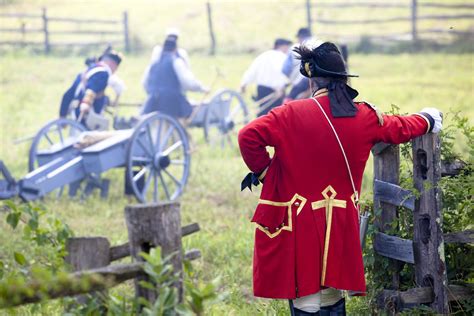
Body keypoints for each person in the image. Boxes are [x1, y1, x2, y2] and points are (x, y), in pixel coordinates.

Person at [238, 42, 442, 315]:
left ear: (313, 82)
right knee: (333, 295)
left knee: (306, 298)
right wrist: (427, 119)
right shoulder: (366, 116)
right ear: (343, 81)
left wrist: (267, 173)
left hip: (300, 222)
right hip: (341, 223)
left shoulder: (290, 114)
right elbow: (400, 127)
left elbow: (247, 136)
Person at [142, 37, 207, 118]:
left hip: (153, 101)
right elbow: (187, 82)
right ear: (175, 49)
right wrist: (201, 88)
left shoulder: (154, 63)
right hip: (171, 103)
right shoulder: (176, 61)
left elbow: (145, 83)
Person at [59, 50, 123, 124]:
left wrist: (62, 115)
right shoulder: (103, 73)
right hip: (87, 115)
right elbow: (91, 90)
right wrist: (86, 103)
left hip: (76, 111)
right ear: (113, 64)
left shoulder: (88, 71)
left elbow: (68, 94)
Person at [240, 38, 292, 116]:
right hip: (276, 90)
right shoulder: (283, 57)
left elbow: (252, 70)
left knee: (263, 115)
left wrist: (244, 84)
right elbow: (283, 74)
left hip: (262, 89)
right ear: (282, 46)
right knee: (275, 116)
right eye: (287, 47)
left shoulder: (263, 55)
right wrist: (282, 87)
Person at [283, 28, 322, 101]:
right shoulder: (321, 44)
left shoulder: (295, 48)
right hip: (323, 82)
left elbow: (285, 69)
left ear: (300, 37)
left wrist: (290, 80)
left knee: (288, 101)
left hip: (302, 82)